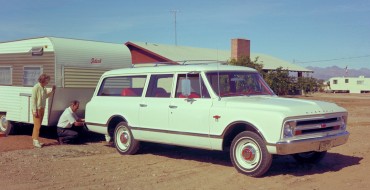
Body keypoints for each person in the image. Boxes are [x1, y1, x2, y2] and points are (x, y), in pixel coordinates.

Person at [31, 74, 56, 148]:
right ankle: (35, 140)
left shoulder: (43, 88)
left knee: (38, 125)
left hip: (42, 108)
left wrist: (52, 90)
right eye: (47, 80)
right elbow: (33, 100)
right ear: (43, 80)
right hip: (37, 109)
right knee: (37, 125)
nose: (48, 82)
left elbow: (46, 96)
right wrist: (34, 111)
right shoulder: (36, 87)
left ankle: (35, 140)